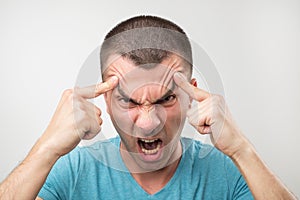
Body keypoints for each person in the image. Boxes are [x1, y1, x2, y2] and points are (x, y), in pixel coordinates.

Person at [0, 15, 296, 200]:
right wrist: (46, 148)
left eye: (166, 98)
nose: (148, 123)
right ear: (105, 99)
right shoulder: (72, 171)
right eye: (128, 101)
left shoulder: (229, 173)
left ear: (191, 93)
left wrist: (242, 150)